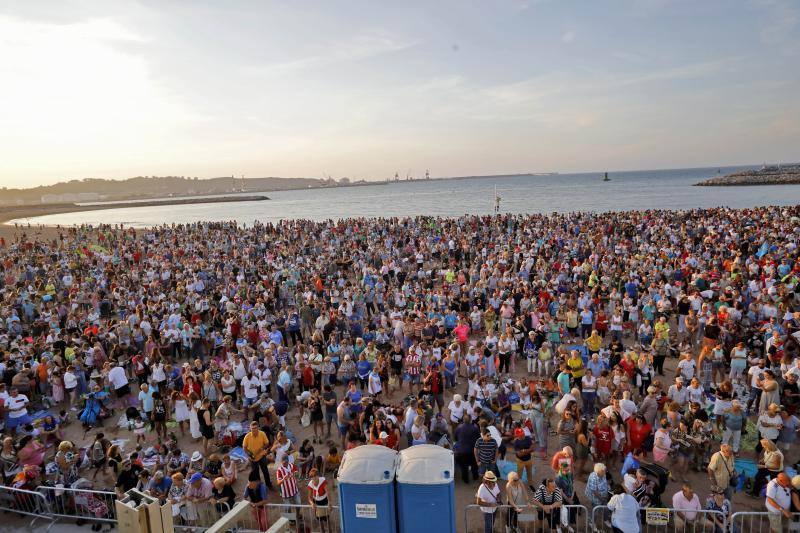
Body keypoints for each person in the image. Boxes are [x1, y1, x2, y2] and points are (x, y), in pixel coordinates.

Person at [242, 420, 274, 489]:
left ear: (258, 428)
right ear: (250, 429)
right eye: (252, 428)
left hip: (262, 456)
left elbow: (267, 443)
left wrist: (262, 448)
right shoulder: (247, 436)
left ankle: (268, 484)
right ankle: (259, 485)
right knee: (256, 473)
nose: (254, 430)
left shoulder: (262, 434)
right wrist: (249, 454)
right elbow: (244, 447)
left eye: (256, 428)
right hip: (252, 458)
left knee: (265, 471)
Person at [307, 468, 331, 532]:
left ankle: (330, 531)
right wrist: (312, 503)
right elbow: (309, 497)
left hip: (324, 500)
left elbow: (328, 492)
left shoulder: (323, 481)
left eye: (315, 475)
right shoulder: (310, 484)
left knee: (327, 518)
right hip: (316, 501)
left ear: (318, 475)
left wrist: (329, 502)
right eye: (312, 476)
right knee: (319, 518)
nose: (314, 477)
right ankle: (323, 531)